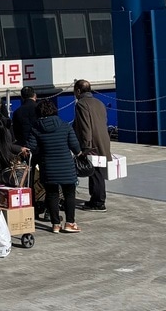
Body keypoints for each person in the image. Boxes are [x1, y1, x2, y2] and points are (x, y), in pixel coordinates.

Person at [27, 98, 81, 233]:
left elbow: (31, 147)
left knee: (51, 194)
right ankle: (70, 223)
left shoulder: (36, 128)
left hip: (48, 166)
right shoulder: (65, 125)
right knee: (69, 194)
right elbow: (75, 147)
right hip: (66, 166)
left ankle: (55, 224)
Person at [73, 80, 113, 211]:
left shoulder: (82, 104)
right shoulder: (99, 103)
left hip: (92, 143)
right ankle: (96, 199)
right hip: (103, 141)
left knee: (95, 172)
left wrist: (85, 146)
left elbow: (85, 127)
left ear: (78, 91)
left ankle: (98, 202)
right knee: (97, 172)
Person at [11, 86, 39, 150]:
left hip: (24, 145)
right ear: (34, 95)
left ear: (22, 97)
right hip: (40, 143)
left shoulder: (17, 112)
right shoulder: (40, 108)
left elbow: (16, 131)